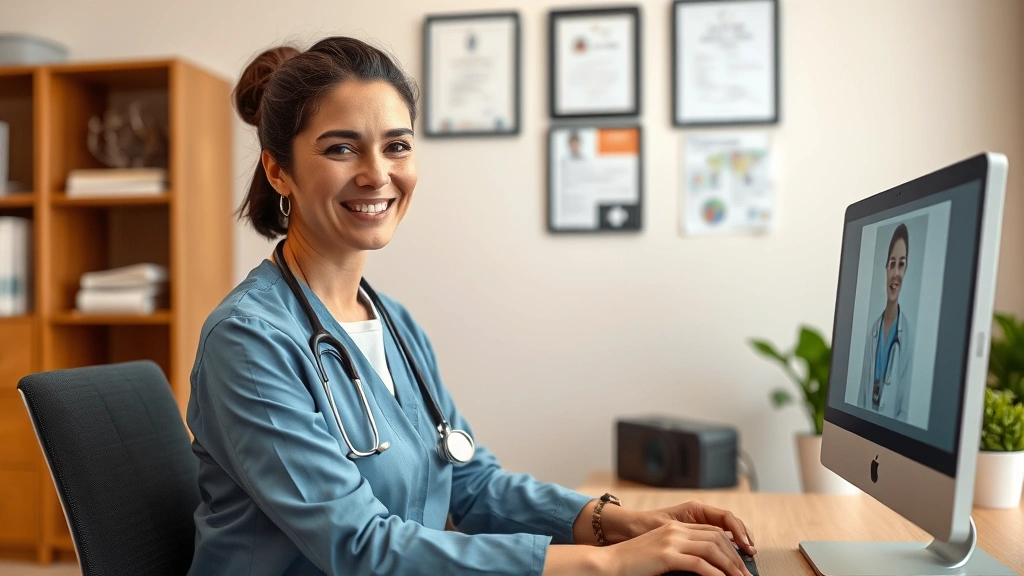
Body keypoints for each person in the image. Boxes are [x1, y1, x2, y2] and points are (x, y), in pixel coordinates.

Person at [186, 36, 757, 576]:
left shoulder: (393, 324)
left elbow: (469, 483)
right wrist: (610, 562)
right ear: (277, 170)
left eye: (397, 146)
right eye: (341, 148)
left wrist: (622, 523)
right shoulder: (249, 340)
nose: (377, 173)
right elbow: (357, 546)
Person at [858, 223, 915, 421]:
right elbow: (861, 397)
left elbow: (905, 408)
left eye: (901, 264)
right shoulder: (873, 330)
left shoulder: (907, 335)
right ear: (885, 269)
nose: (895, 273)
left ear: (906, 270)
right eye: (892, 263)